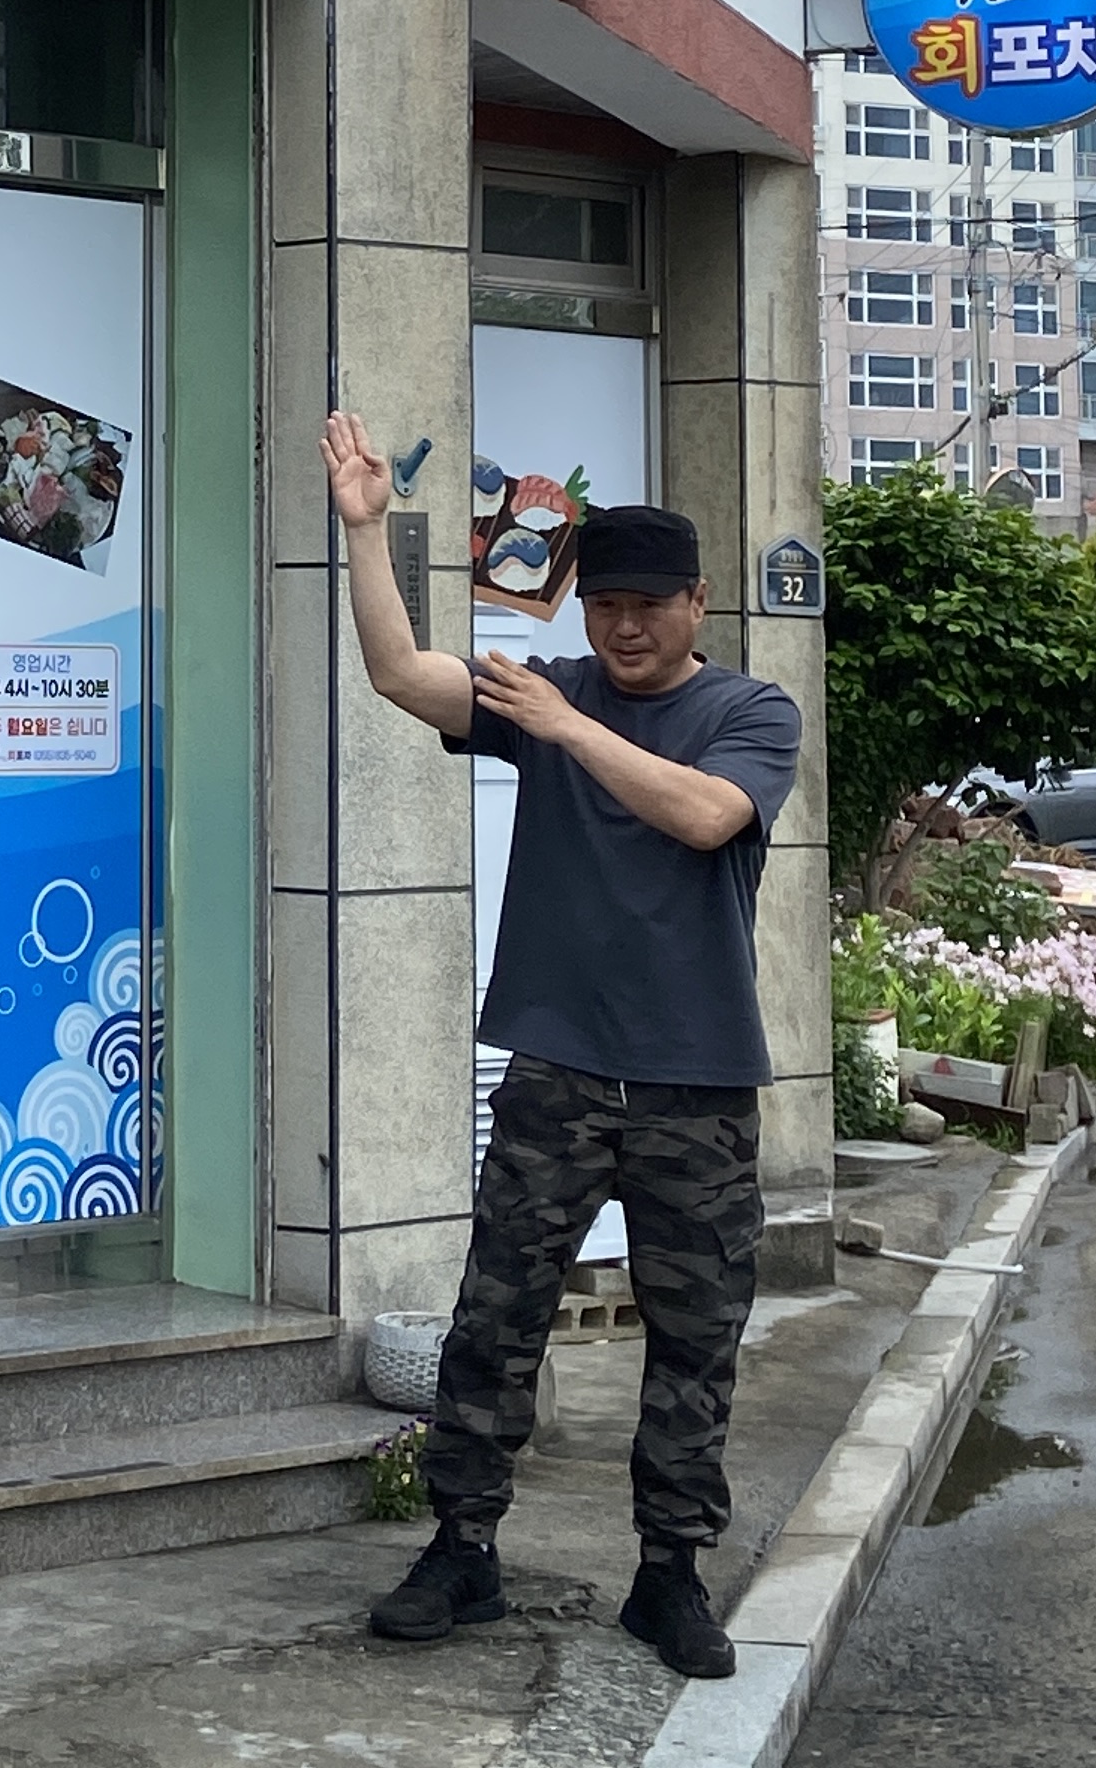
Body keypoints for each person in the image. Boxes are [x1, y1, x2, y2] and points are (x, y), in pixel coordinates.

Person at [320, 411, 802, 1683]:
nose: (624, 628)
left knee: (694, 1337)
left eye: (648, 606)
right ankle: (462, 1548)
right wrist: (365, 531)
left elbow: (707, 818)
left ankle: (670, 1574)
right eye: (605, 606)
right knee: (498, 1315)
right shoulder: (553, 690)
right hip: (558, 1065)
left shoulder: (750, 711)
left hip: (697, 1079)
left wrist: (567, 725)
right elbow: (399, 675)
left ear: (697, 604)